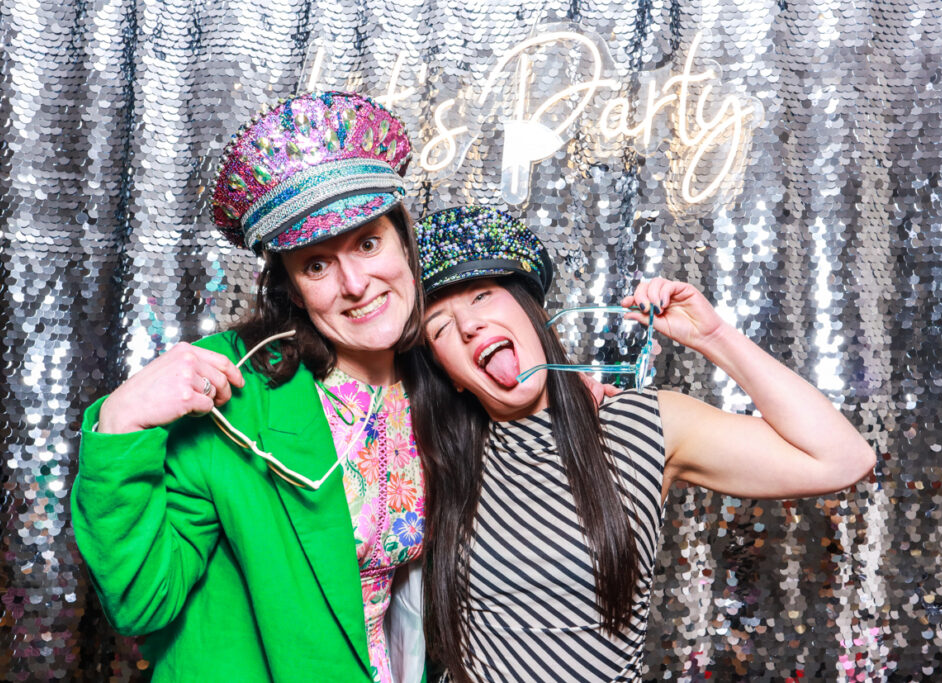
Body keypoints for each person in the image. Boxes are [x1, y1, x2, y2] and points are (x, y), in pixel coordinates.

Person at [408, 206, 877, 683]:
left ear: (534, 314)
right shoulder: (433, 457)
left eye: (483, 296)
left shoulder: (641, 423)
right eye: (441, 327)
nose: (468, 326)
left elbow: (842, 459)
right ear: (452, 377)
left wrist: (713, 337)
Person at [72, 91, 426, 682]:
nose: (356, 283)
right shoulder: (234, 386)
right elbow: (142, 601)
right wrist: (120, 424)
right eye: (317, 264)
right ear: (289, 285)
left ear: (405, 242)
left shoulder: (438, 372)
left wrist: (569, 399)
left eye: (369, 242)